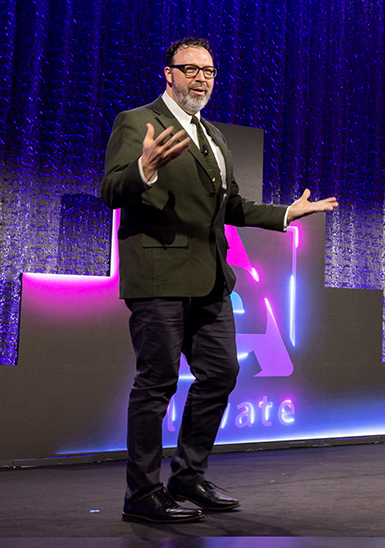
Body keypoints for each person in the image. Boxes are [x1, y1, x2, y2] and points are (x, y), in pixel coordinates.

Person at [101, 37, 338, 523]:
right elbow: (111, 189)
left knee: (221, 374)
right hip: (159, 276)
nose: (201, 78)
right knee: (157, 383)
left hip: (210, 281)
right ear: (168, 73)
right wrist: (142, 170)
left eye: (208, 71)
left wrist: (287, 212)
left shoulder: (211, 135)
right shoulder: (138, 121)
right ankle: (141, 495)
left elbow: (230, 206)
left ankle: (187, 477)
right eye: (190, 69)